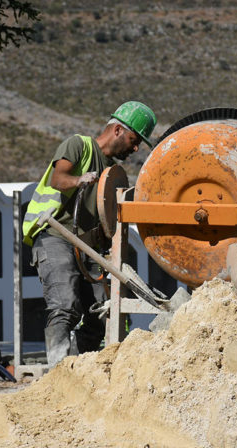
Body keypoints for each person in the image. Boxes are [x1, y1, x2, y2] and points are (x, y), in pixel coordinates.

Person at [22, 101, 156, 367]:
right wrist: (78, 180)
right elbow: (57, 179)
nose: (135, 148)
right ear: (117, 130)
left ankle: (83, 367)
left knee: (102, 309)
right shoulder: (79, 145)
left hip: (86, 247)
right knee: (64, 305)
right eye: (134, 139)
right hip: (55, 234)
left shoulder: (111, 173)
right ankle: (58, 373)